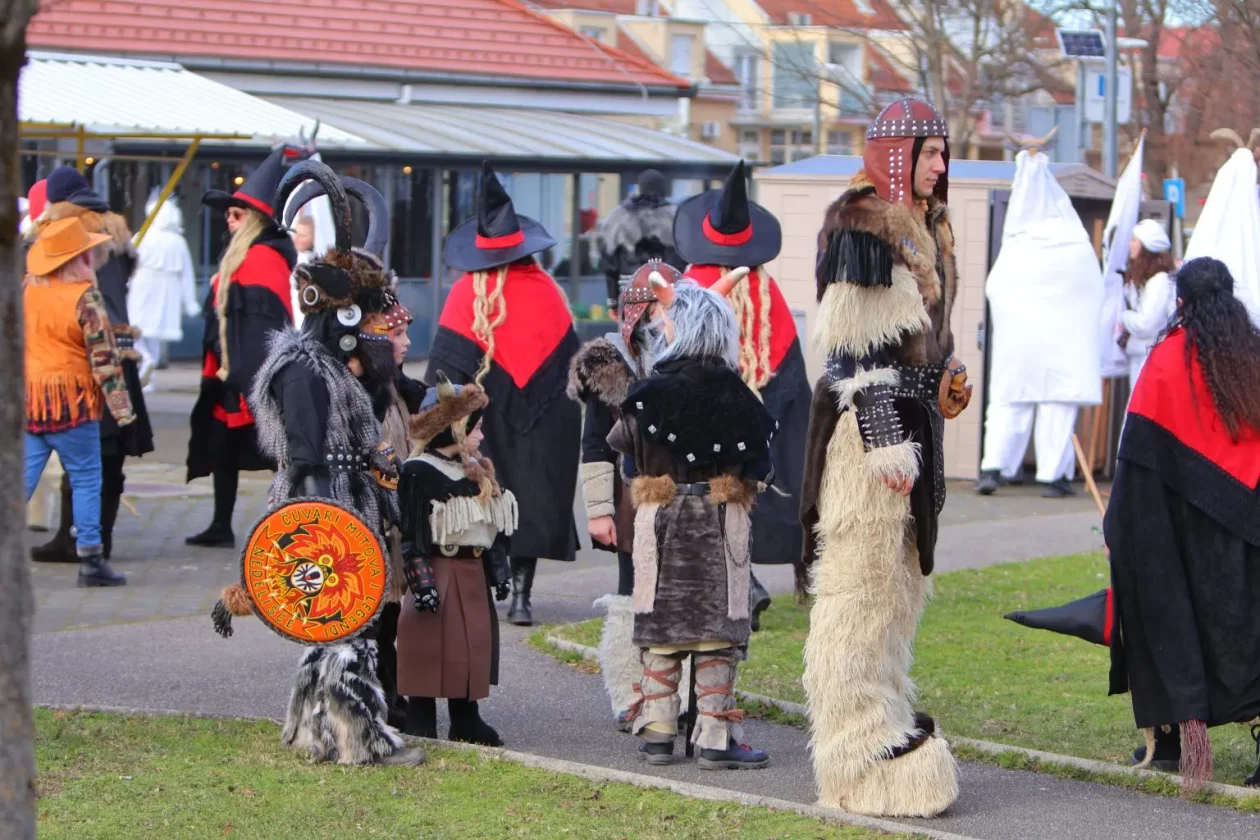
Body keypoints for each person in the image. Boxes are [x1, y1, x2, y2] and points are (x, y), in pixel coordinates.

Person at [1010, 258, 1260, 789]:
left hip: (1173, 540)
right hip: (1246, 537)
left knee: (1165, 623)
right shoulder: (1254, 359)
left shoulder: (1166, 362)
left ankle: (1172, 742)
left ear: (1182, 303)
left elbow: (1138, 462)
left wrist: (1120, 530)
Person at [212, 162, 424, 767]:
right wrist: (329, 533)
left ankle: (311, 729)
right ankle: (361, 739)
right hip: (323, 518)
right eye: (385, 325)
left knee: (332, 630)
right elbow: (307, 458)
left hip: (340, 510)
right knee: (345, 630)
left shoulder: (336, 372)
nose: (394, 339)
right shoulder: (305, 371)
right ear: (350, 324)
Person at [798, 98, 972, 817]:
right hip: (868, 444)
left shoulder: (931, 229)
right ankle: (854, 747)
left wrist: (944, 378)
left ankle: (884, 721)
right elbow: (849, 350)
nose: (940, 165)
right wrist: (880, 430)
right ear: (899, 152)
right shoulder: (861, 222)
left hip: (912, 430)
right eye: (929, 152)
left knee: (898, 595)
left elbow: (921, 340)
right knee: (858, 593)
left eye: (943, 153)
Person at [608, 276, 775, 769]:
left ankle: (659, 732)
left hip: (660, 524)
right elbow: (761, 469)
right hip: (721, 526)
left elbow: (628, 459)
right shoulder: (740, 397)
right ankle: (716, 739)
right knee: (717, 631)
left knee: (662, 624)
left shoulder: (646, 395)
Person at [427, 161, 580, 627]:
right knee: (531, 495)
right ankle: (522, 596)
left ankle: (490, 581)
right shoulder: (549, 291)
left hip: (483, 420)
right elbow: (570, 365)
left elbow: (443, 374)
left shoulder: (463, 296)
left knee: (487, 493)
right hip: (547, 418)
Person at [674, 160, 813, 624]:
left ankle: (743, 585)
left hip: (703, 413)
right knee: (753, 491)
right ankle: (748, 584)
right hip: (762, 413)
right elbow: (792, 376)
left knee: (709, 497)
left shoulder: (690, 287)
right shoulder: (767, 291)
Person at [568, 260, 680, 731]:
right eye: (653, 305)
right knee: (633, 593)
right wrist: (599, 512)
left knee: (680, 598)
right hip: (632, 498)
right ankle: (632, 694)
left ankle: (679, 698)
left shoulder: (691, 357)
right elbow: (595, 443)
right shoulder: (608, 363)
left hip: (684, 496)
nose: (661, 315)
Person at [29, 166, 155, 565]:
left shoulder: (53, 235)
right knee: (103, 459)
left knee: (62, 464)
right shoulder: (115, 232)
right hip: (110, 358)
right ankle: (96, 546)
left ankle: (73, 542)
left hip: (56, 370)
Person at [976, 148, 1104, 498]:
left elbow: (995, 288)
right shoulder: (1074, 244)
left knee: (1008, 402)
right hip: (1063, 345)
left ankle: (995, 468)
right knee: (1057, 407)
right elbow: (1094, 289)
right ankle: (1051, 476)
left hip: (1019, 344)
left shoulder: (1017, 244)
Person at [395, 374, 515, 745]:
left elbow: (490, 527)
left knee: (472, 643)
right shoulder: (418, 471)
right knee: (428, 645)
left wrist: (498, 570)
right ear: (453, 427)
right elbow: (412, 534)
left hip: (472, 568)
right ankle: (420, 716)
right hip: (438, 567)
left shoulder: (476, 470)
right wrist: (422, 582)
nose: (481, 435)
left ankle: (467, 717)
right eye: (475, 426)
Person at [186, 147, 296, 548]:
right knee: (224, 450)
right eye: (228, 215)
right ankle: (220, 525)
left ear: (254, 220)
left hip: (252, 376)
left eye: (236, 215)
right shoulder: (244, 256)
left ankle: (293, 524)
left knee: (276, 454)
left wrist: (252, 380)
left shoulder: (262, 258)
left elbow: (263, 327)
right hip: (231, 374)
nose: (228, 221)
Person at [24, 216, 135, 586]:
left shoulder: (27, 290)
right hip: (73, 403)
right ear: (80, 259)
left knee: (19, 480)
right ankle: (90, 561)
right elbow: (103, 358)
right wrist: (122, 409)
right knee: (87, 478)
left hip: (31, 399)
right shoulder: (86, 297)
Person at [128, 191, 201, 391]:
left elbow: (128, 261)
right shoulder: (178, 241)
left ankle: (146, 361)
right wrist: (190, 301)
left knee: (135, 328)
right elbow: (187, 273)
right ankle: (148, 378)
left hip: (142, 285)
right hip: (167, 289)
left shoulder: (143, 236)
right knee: (154, 333)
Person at [597, 170, 684, 314]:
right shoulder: (675, 216)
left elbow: (609, 262)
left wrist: (612, 302)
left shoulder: (619, 216)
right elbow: (685, 259)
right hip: (669, 294)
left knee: (630, 335)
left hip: (631, 294)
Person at [1119, 219, 1176, 393]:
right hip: (1141, 356)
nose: (1130, 245)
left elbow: (1145, 324)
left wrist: (1123, 315)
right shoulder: (1146, 280)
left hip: (1150, 358)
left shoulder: (1159, 282)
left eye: (1134, 240)